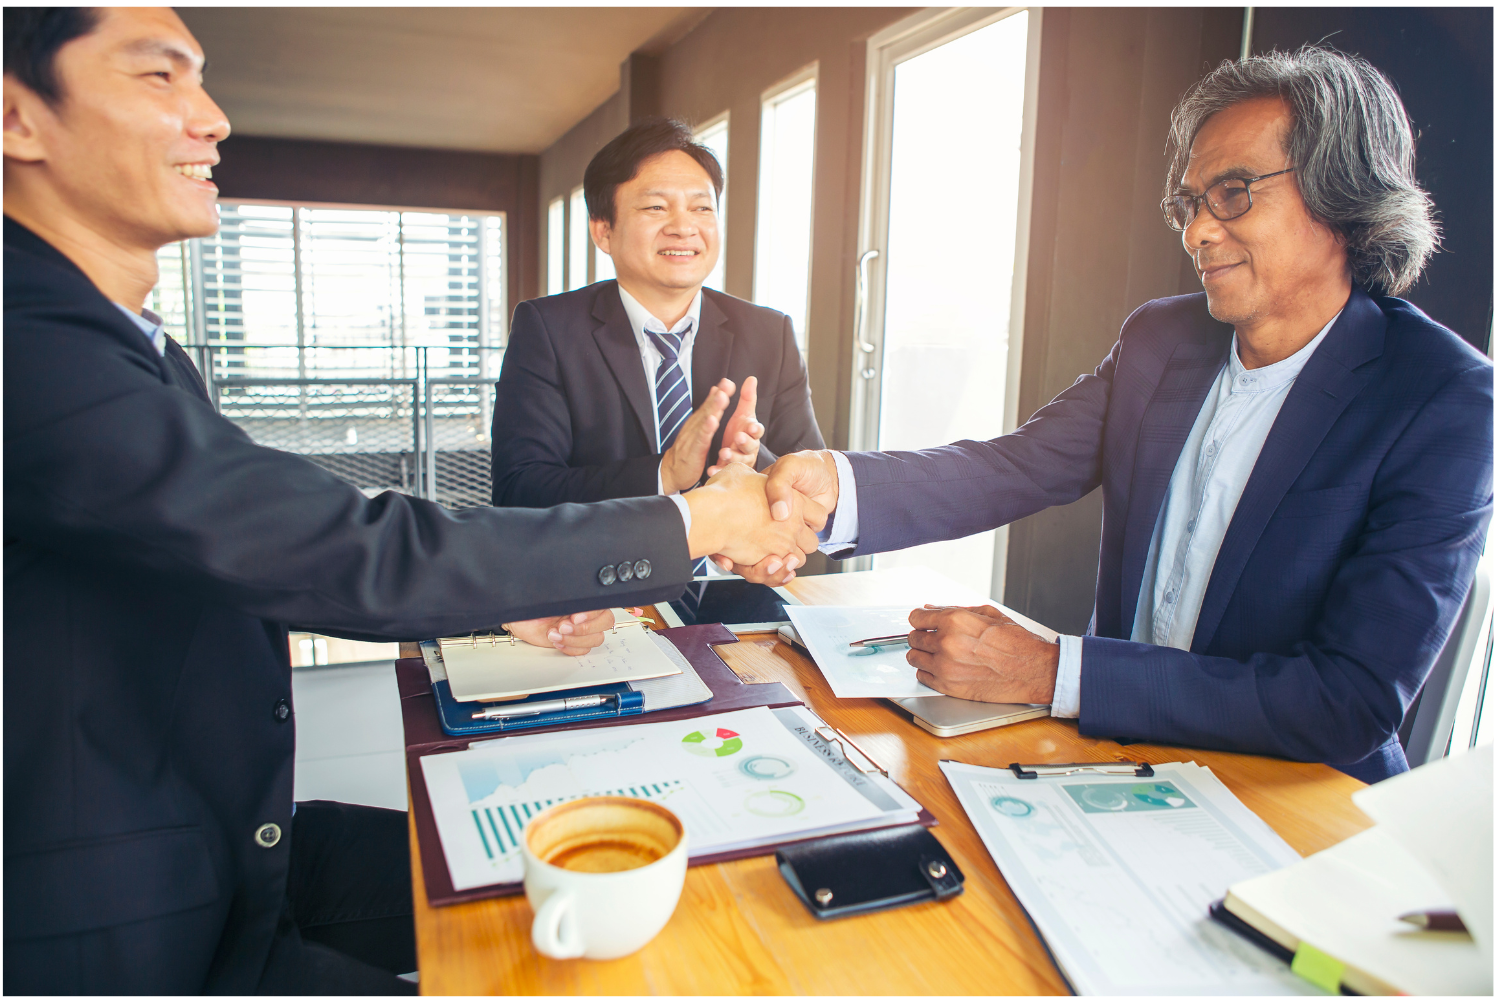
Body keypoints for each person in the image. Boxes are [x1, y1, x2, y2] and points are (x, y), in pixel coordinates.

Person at [2, 8, 821, 994]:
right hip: (120, 918)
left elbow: (261, 537)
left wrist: (516, 589)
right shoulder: (32, 351)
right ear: (18, 119)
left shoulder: (142, 349)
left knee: (588, 887)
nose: (213, 118)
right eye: (159, 78)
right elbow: (339, 546)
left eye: (202, 80)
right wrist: (691, 514)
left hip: (231, 842)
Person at [756, 47, 1492, 784]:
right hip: (1116, 759)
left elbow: (1348, 700)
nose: (1197, 232)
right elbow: (1015, 466)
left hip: (1296, 796)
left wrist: (1053, 673)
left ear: (1344, 195)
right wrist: (832, 488)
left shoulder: (1444, 397)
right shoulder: (1161, 340)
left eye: (1233, 192)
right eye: (1191, 202)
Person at [490, 118, 825, 584]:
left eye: (702, 208)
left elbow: (813, 485)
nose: (684, 227)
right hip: (597, 592)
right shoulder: (547, 329)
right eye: (655, 208)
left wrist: (751, 465)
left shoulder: (770, 333)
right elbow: (519, 492)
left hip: (733, 592)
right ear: (603, 231)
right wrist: (664, 474)